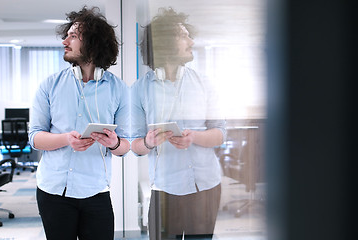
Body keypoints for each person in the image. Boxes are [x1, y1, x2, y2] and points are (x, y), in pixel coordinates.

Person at [28, 6, 130, 240]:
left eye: (73, 36)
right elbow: (34, 137)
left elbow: (127, 146)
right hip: (53, 190)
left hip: (95, 191)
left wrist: (114, 143)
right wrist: (66, 139)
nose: (65, 41)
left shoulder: (119, 90)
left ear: (93, 42)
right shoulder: (49, 85)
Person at [131, 8, 226, 240]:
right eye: (183, 35)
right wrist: (148, 141)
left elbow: (220, 133)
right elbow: (134, 145)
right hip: (165, 190)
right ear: (164, 41)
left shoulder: (204, 83)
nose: (191, 41)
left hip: (206, 186)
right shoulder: (139, 90)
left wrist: (193, 137)